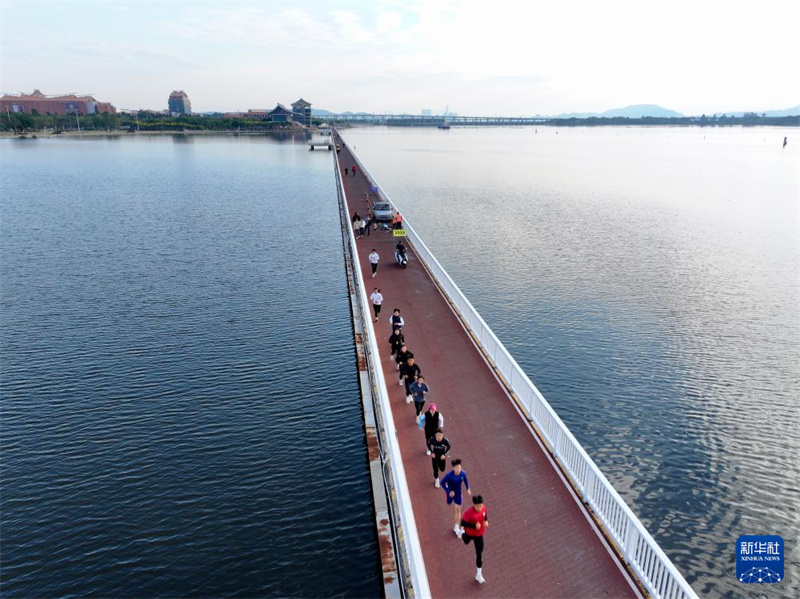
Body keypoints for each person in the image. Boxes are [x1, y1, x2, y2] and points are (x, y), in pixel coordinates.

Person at [461, 495, 489, 584]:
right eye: (477, 506)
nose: (480, 508)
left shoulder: (483, 508)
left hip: (479, 534)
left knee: (479, 554)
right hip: (469, 533)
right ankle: (462, 533)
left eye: (481, 505)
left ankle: (479, 574)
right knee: (466, 541)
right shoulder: (469, 513)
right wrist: (474, 526)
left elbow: (485, 514)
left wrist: (486, 520)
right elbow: (462, 523)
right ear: (474, 505)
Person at [441, 459, 471, 537]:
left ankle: (456, 525)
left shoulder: (463, 473)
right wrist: (448, 491)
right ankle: (448, 499)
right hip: (450, 493)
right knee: (448, 502)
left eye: (459, 468)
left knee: (458, 509)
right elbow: (442, 483)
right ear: (453, 468)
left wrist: (468, 488)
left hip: (458, 493)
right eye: (457, 468)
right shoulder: (449, 475)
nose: (458, 470)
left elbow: (465, 480)